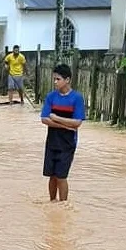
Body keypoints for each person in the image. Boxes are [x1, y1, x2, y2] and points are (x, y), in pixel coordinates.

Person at [40, 64, 86, 202]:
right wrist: (65, 126)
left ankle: (63, 204)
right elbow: (44, 119)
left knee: (61, 176)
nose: (55, 82)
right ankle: (52, 202)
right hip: (52, 141)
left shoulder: (76, 98)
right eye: (54, 79)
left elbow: (77, 122)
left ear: (67, 80)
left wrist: (56, 118)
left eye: (58, 79)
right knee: (52, 176)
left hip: (68, 143)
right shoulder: (51, 96)